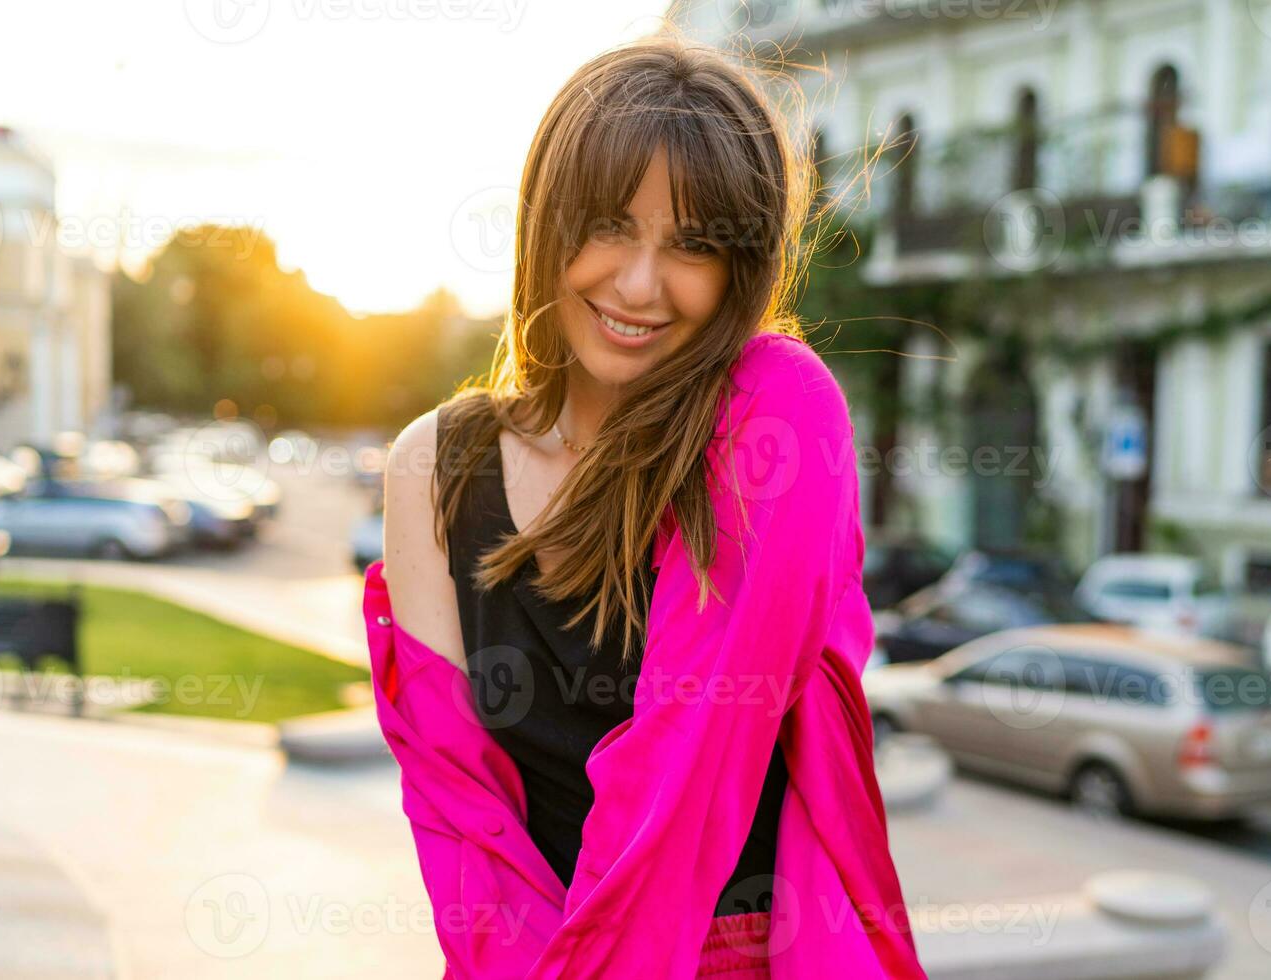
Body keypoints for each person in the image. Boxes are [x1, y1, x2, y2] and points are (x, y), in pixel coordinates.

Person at [367, 33, 925, 979]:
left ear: (741, 268)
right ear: (546, 221)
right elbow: (462, 816)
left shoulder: (776, 418)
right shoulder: (433, 465)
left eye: (694, 245)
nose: (637, 285)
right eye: (609, 226)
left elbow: (684, 774)